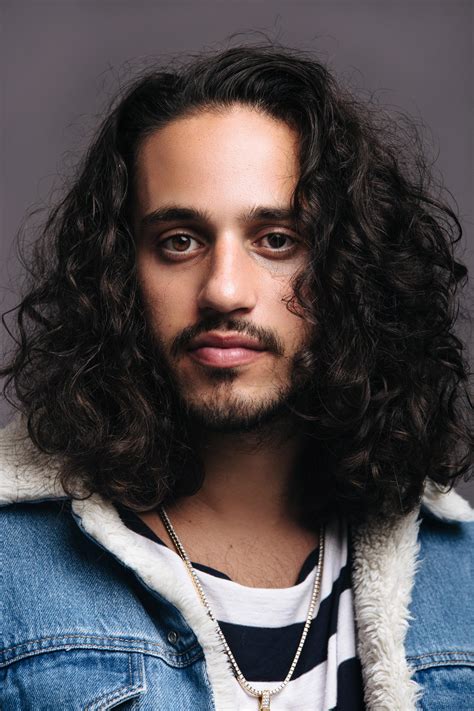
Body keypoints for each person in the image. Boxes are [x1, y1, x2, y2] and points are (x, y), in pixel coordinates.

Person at [1, 42, 473, 711]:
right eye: (180, 241)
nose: (223, 291)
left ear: (354, 271)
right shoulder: (11, 562)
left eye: (277, 240)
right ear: (119, 275)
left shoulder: (460, 575)